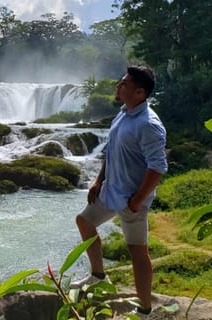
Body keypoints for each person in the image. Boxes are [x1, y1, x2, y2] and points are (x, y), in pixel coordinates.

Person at [70, 66, 167, 319]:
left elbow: (158, 167)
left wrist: (137, 200)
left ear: (139, 92)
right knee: (84, 221)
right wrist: (98, 180)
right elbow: (111, 150)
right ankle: (99, 276)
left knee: (137, 250)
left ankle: (145, 309)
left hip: (132, 199)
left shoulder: (149, 124)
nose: (118, 86)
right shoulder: (124, 113)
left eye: (123, 84)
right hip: (110, 190)